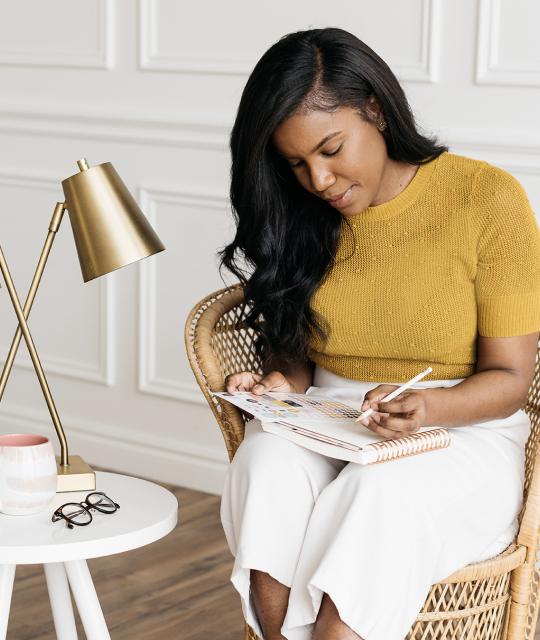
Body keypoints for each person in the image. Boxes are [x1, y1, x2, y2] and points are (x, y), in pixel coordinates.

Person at [217, 27, 540, 640]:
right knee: (265, 466)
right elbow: (298, 347)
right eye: (296, 163)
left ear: (374, 108)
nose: (318, 179)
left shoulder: (485, 199)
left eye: (332, 148)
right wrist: (278, 384)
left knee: (380, 491)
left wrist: (428, 407)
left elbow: (510, 381)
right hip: (331, 416)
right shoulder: (302, 212)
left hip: (459, 426)